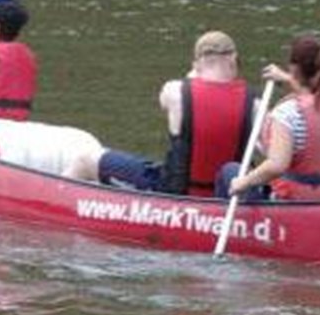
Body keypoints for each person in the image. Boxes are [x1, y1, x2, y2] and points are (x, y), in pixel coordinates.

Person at [96, 30, 256, 194]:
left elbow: (164, 105)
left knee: (86, 160)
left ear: (196, 63)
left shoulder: (175, 90)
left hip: (175, 192)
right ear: (234, 59)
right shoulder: (255, 104)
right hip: (226, 196)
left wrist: (194, 73)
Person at [226, 35, 320, 202]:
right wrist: (288, 78)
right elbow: (315, 95)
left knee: (230, 170)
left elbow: (276, 166)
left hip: (294, 203)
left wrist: (243, 182)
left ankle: (219, 221)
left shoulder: (288, 113)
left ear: (295, 69)